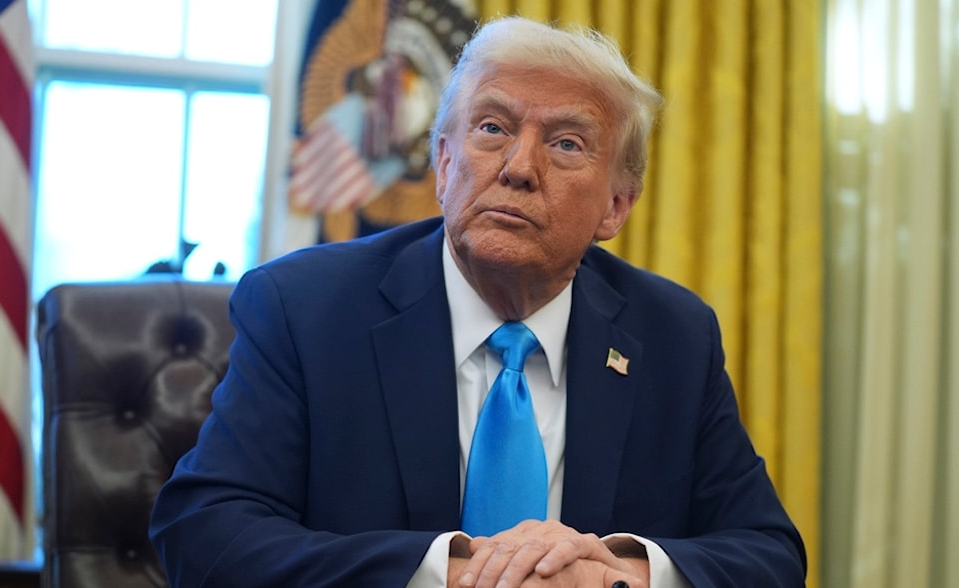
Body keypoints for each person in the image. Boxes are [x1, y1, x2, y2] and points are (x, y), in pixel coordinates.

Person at [150, 15, 807, 588]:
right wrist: (453, 573)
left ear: (616, 205)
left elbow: (769, 556)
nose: (519, 167)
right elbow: (206, 534)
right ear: (441, 164)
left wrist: (612, 575)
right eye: (492, 127)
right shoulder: (305, 309)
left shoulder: (674, 337)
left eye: (566, 143)